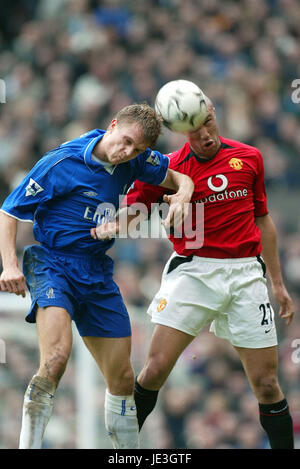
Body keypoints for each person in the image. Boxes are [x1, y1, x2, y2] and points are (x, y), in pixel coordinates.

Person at [94, 94, 296, 449]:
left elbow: (263, 221)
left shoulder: (249, 158)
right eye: (193, 129)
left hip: (247, 275)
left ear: (213, 114)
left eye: (207, 123)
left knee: (266, 384)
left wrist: (276, 283)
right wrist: (109, 226)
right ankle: (122, 452)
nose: (204, 134)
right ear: (179, 131)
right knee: (154, 370)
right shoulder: (167, 168)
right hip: (193, 273)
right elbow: (134, 212)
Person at [0, 103, 194, 450]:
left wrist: (184, 192)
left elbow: (177, 176)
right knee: (56, 359)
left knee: (122, 379)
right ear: (113, 124)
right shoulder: (61, 163)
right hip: (51, 264)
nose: (128, 152)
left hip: (96, 272)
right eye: (125, 141)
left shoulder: (136, 160)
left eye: (137, 149)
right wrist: (9, 265)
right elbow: (8, 211)